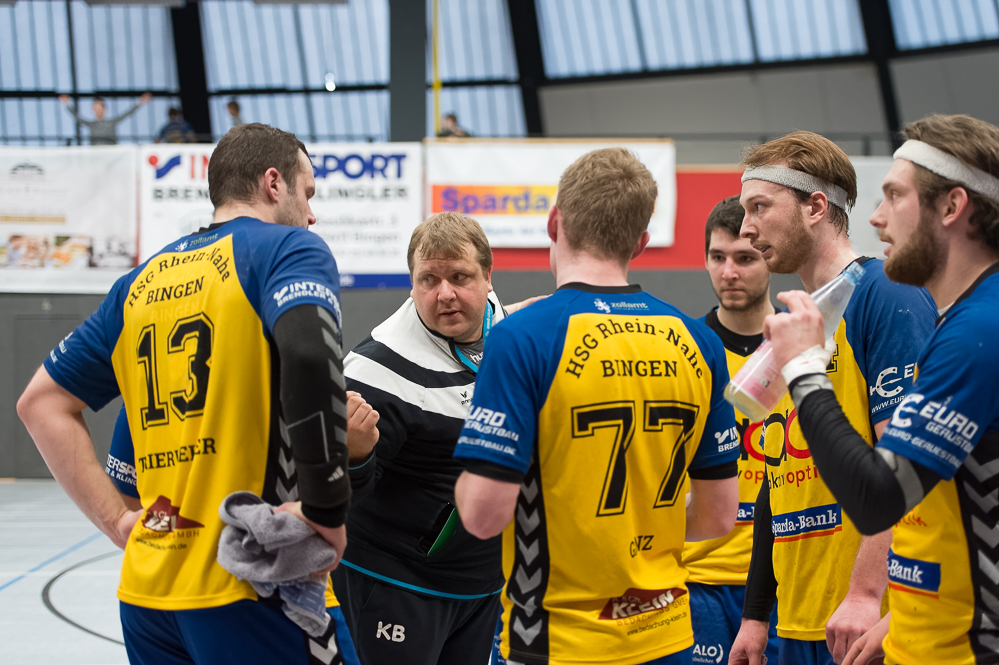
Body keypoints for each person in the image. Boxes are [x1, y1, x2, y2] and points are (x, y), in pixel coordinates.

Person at [17, 123, 358, 664]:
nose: (311, 214)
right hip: (252, 578)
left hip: (148, 593)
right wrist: (326, 511)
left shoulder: (136, 286)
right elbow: (312, 357)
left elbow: (40, 404)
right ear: (274, 183)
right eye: (307, 192)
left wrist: (117, 522)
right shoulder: (288, 249)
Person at [452, 147, 742, 665]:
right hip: (668, 635)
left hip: (558, 641)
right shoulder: (700, 342)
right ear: (641, 242)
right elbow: (720, 516)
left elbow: (482, 515)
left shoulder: (523, 336)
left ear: (554, 222)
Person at [763, 114, 999, 665]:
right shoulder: (964, 321)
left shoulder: (978, 333)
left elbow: (879, 498)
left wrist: (805, 369)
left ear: (951, 206)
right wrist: (901, 615)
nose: (875, 217)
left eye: (894, 196)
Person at [728, 131, 937, 665]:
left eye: (759, 207)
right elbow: (776, 477)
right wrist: (756, 615)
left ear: (816, 207)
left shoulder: (884, 293)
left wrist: (866, 594)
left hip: (865, 619)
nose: (746, 227)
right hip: (797, 618)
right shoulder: (794, 320)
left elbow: (911, 466)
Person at [331, 211, 540, 665]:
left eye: (460, 277)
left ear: (488, 277)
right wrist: (355, 456)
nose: (444, 294)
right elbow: (334, 498)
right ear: (412, 284)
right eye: (428, 280)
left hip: (483, 581)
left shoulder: (504, 325)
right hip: (398, 582)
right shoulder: (375, 372)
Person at [682, 195, 779, 665]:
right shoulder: (685, 351)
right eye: (717, 257)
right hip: (698, 578)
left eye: (744, 258)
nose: (728, 272)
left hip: (783, 577)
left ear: (770, 258)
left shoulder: (802, 347)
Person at [58, 93, 152, 145]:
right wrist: (67, 104)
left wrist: (141, 102)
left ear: (104, 109)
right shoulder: (91, 124)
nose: (97, 111)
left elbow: (127, 113)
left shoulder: (112, 122)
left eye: (99, 108)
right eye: (95, 108)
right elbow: (77, 117)